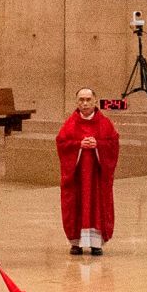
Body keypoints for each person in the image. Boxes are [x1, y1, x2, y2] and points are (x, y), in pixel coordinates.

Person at [56, 87, 120, 256]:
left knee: (96, 205)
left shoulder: (105, 124)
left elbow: (113, 144)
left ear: (95, 102)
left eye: (88, 100)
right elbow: (61, 144)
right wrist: (78, 145)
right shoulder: (70, 124)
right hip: (77, 178)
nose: (84, 104)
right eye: (81, 100)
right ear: (77, 102)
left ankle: (96, 243)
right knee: (75, 205)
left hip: (96, 178)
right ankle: (76, 242)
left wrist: (99, 145)